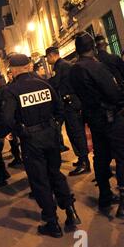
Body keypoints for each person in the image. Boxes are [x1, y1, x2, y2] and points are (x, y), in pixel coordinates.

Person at [69, 31, 124, 222]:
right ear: (93, 48)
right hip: (109, 118)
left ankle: (105, 195)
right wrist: (121, 100)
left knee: (101, 156)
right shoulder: (95, 67)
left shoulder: (74, 69)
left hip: (93, 119)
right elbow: (113, 93)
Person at [0, 54, 81, 238]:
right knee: (55, 173)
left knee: (40, 180)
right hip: (50, 136)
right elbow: (59, 110)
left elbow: (6, 119)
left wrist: (17, 131)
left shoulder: (12, 90)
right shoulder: (44, 84)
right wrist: (54, 127)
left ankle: (52, 223)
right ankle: (70, 211)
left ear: (12, 70)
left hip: (31, 140)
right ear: (28, 66)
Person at [46, 46, 91, 176]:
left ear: (51, 55)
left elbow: (54, 83)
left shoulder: (61, 66)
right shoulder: (62, 65)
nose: (48, 60)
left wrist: (42, 83)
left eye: (48, 58)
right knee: (73, 133)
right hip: (68, 104)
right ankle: (82, 159)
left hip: (71, 104)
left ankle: (84, 162)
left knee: (77, 133)